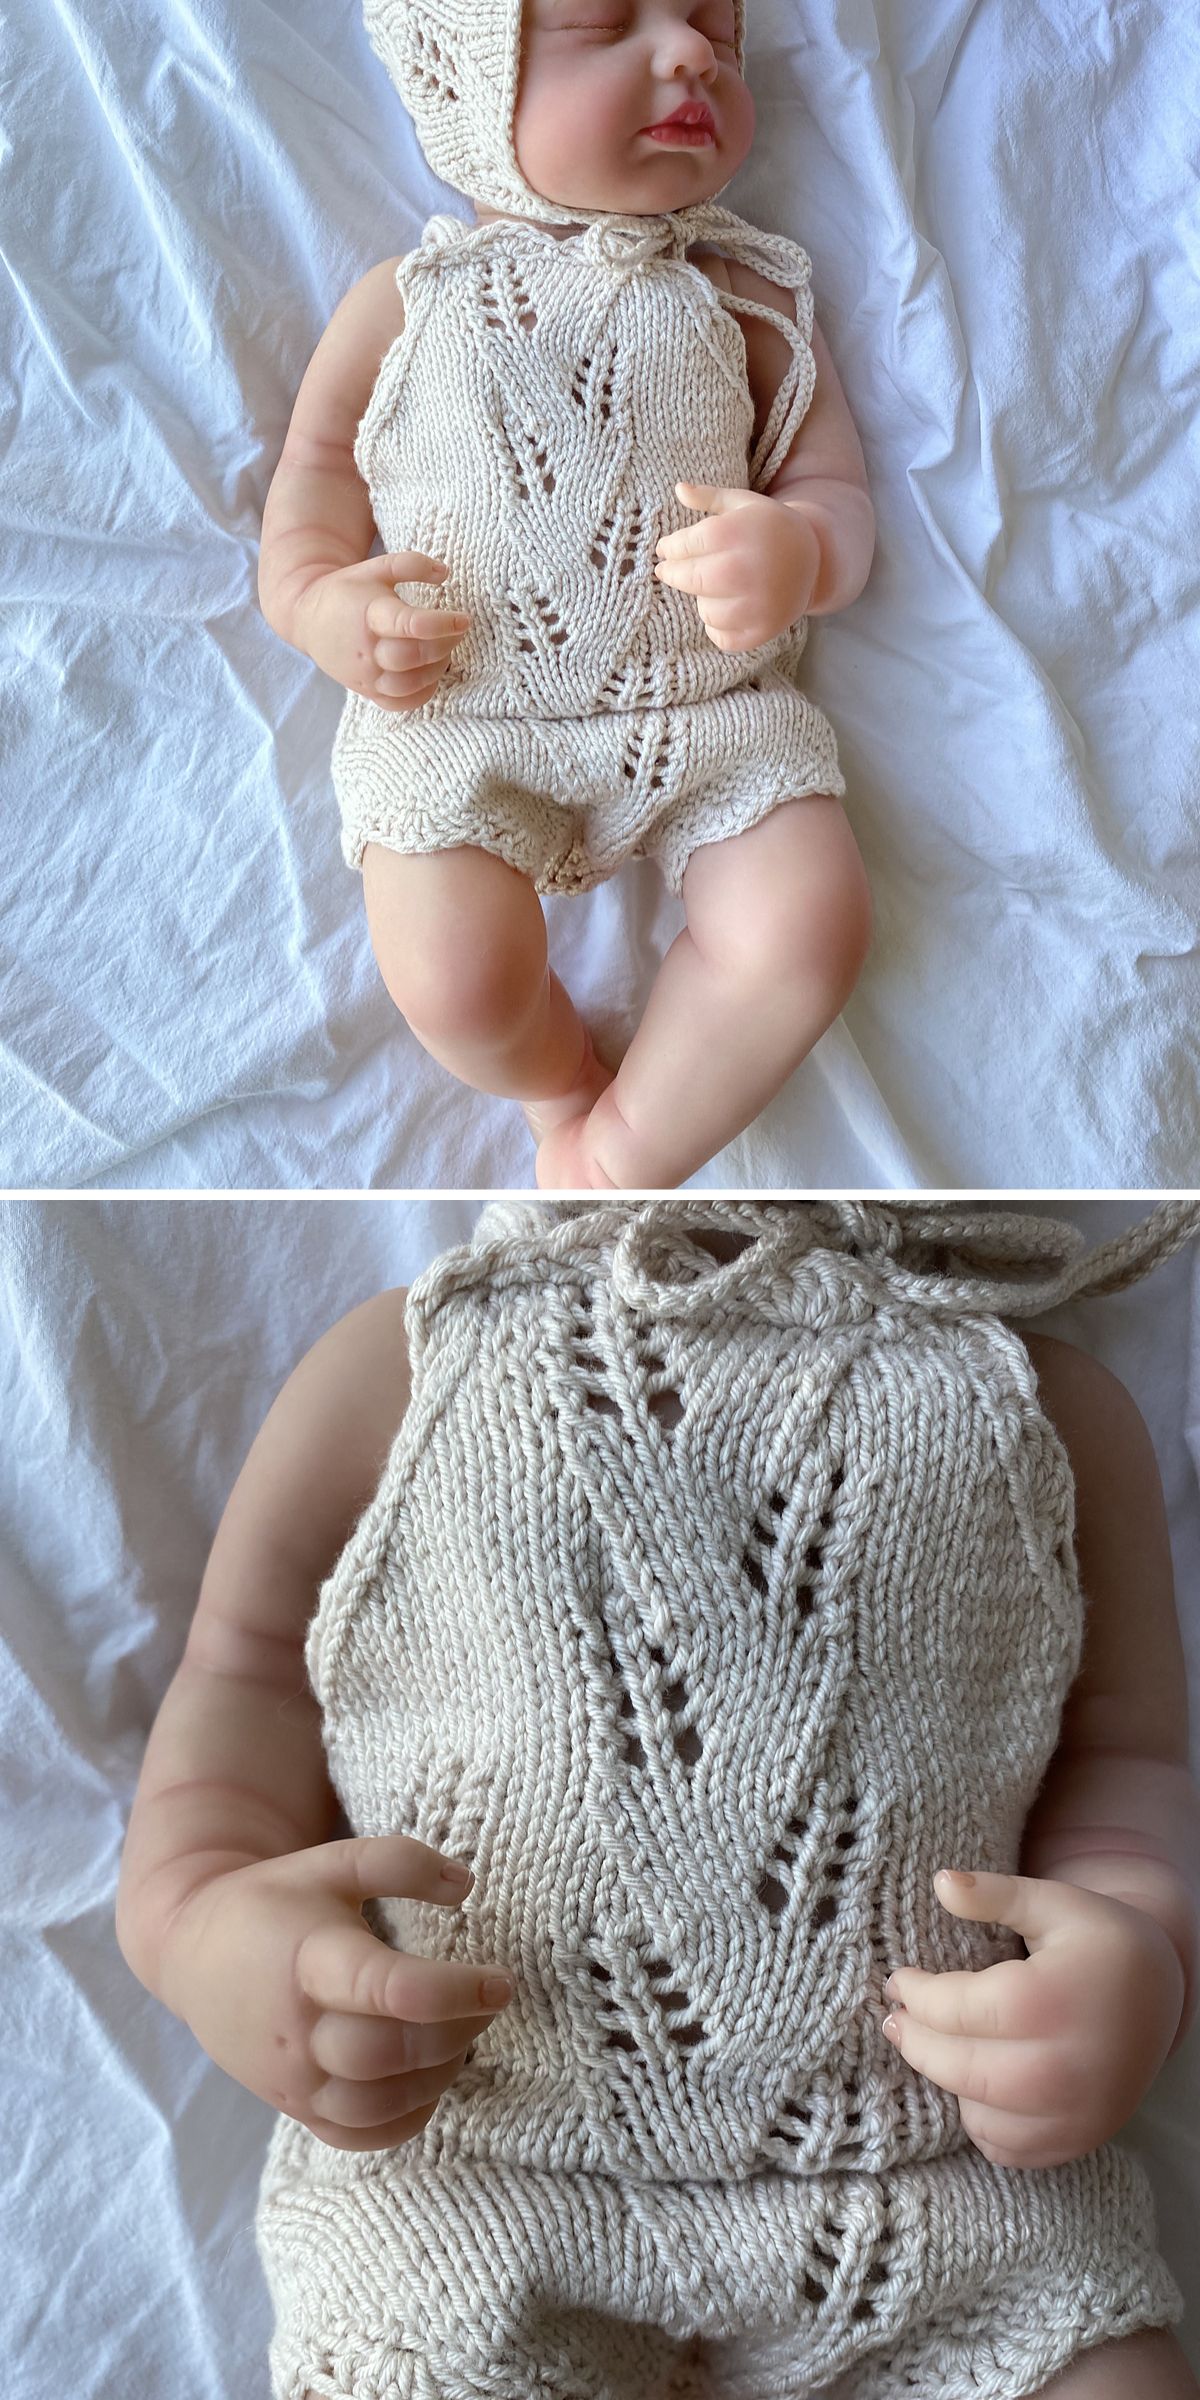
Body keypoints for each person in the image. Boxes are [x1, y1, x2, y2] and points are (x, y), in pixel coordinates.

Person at [115, 1199, 1200, 2400]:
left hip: (941, 2171)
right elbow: (244, 1677)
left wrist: (1139, 1956)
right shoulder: (412, 1359)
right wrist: (203, 1926)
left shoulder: (1042, 1401)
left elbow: (1128, 1766)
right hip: (476, 2172)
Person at [258, 2, 874, 1189]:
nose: (690, 51)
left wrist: (800, 550)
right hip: (460, 715)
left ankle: (623, 1148)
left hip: (712, 720)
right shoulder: (405, 301)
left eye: (716, 30)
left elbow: (831, 489)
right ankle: (556, 1085)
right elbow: (315, 483)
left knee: (808, 928)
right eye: (605, 24)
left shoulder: (746, 297)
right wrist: (322, 610)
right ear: (470, 88)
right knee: (452, 975)